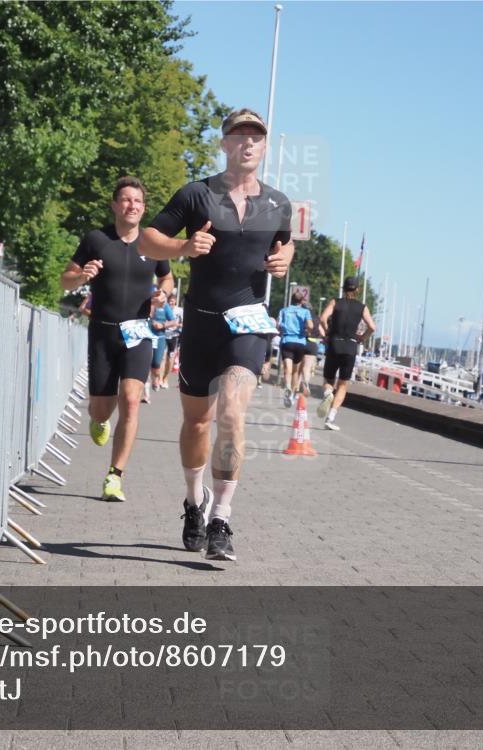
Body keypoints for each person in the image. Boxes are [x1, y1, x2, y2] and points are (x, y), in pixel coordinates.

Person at [140, 107, 293, 561]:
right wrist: (184, 247)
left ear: (264, 148)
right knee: (197, 422)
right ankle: (195, 500)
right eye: (239, 135)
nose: (248, 143)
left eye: (256, 137)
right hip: (202, 322)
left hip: (247, 323)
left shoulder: (278, 203)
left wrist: (285, 262)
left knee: (231, 412)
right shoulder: (196, 194)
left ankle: (222, 518)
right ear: (224, 143)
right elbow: (148, 241)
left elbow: (283, 248)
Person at [61, 176, 173, 501]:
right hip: (103, 333)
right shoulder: (96, 240)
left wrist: (163, 294)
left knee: (131, 399)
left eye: (137, 201)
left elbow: (166, 276)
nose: (132, 206)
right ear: (114, 205)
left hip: (138, 332)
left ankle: (115, 476)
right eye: (125, 200)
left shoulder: (153, 242)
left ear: (144, 207)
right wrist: (82, 276)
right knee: (101, 409)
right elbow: (64, 281)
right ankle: (98, 419)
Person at [316, 276, 376, 431]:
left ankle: (328, 392)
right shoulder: (362, 307)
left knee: (328, 379)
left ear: (343, 288)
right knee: (343, 384)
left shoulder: (335, 302)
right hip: (350, 346)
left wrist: (327, 333)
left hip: (334, 343)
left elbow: (322, 318)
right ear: (357, 290)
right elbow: (372, 327)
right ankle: (331, 418)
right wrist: (362, 338)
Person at [278, 292, 313, 406]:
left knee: (287, 369)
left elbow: (278, 325)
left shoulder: (283, 311)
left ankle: (287, 387)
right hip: (300, 342)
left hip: (287, 341)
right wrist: (306, 330)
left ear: (291, 300)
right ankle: (292, 395)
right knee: (296, 371)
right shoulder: (305, 312)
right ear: (302, 301)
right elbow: (311, 326)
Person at [149, 290, 178, 395]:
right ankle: (145, 392)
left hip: (160, 337)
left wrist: (163, 325)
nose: (160, 299)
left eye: (163, 297)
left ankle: (156, 377)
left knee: (156, 362)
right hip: (147, 337)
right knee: (145, 362)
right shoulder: (149, 304)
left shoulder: (165, 307)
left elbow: (174, 322)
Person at [161, 292, 183, 388]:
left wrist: (177, 325)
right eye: (170, 302)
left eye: (173, 302)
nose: (171, 304)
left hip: (174, 336)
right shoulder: (164, 309)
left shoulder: (180, 311)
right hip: (163, 335)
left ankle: (165, 377)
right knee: (162, 358)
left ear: (175, 303)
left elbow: (183, 323)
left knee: (170, 359)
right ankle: (160, 379)